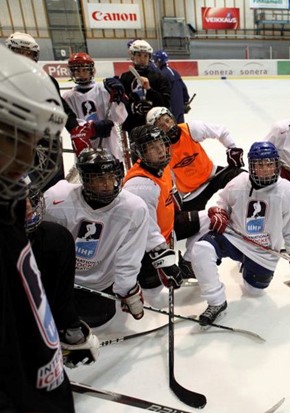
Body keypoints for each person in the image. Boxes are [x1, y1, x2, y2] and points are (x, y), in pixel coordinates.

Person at [0, 46, 74, 412]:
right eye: (17, 136)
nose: (30, 154)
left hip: (42, 379)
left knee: (56, 240)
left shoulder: (8, 199)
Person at [189, 142, 290, 325]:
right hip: (234, 238)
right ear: (251, 166)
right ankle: (216, 301)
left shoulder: (289, 192)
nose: (265, 170)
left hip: (263, 250)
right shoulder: (238, 183)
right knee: (201, 249)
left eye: (269, 164)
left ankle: (246, 265)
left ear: (276, 165)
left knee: (255, 291)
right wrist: (217, 211)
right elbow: (220, 200)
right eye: (260, 165)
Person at [43, 148, 150, 327]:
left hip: (101, 285)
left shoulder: (134, 209)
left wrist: (127, 289)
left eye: (111, 177)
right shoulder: (56, 200)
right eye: (99, 179)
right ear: (85, 179)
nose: (107, 184)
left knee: (98, 321)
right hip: (64, 283)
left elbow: (129, 256)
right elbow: (44, 247)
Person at [25, 182, 99, 369]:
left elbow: (60, 296)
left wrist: (71, 329)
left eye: (27, 197)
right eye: (15, 199)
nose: (27, 205)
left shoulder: (54, 237)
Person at [5, 32, 80, 188]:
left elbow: (61, 109)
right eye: (20, 52)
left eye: (29, 53)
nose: (25, 57)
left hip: (47, 147)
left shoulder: (47, 80)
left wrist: (76, 129)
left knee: (54, 189)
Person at [146, 106, 245, 211]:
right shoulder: (160, 150)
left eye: (167, 120)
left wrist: (233, 149)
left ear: (172, 118)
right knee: (184, 224)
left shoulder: (191, 129)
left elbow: (221, 131)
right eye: (161, 126)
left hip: (213, 176)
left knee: (243, 178)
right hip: (191, 195)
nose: (167, 126)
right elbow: (165, 177)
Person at [123, 125, 185, 291]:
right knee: (154, 294)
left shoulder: (161, 165)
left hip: (166, 231)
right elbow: (146, 231)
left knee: (209, 220)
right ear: (141, 153)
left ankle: (188, 263)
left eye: (161, 144)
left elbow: (168, 189)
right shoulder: (139, 186)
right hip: (144, 251)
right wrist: (164, 260)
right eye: (152, 147)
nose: (161, 151)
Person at [63, 52, 129, 164]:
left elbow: (120, 118)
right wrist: (91, 127)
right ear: (72, 73)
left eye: (84, 70)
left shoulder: (104, 89)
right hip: (85, 148)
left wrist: (119, 99)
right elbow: (72, 125)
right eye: (77, 71)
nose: (81, 74)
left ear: (91, 71)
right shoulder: (68, 97)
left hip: (110, 145)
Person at [120, 39, 171, 135]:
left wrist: (149, 90)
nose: (142, 59)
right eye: (139, 55)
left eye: (145, 56)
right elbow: (120, 105)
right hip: (131, 127)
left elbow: (165, 103)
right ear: (132, 56)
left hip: (154, 127)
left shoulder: (158, 77)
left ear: (149, 57)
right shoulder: (125, 78)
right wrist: (132, 107)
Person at [153, 50, 191, 124]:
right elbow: (184, 89)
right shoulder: (175, 72)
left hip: (170, 109)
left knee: (171, 132)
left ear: (159, 61)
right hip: (179, 108)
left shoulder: (161, 74)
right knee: (180, 129)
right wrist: (185, 102)